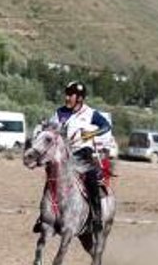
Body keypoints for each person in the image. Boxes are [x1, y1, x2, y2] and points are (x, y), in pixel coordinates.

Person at [47, 80, 111, 233]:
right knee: (51, 178)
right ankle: (45, 214)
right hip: (64, 155)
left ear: (80, 98)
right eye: (66, 94)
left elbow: (106, 126)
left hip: (83, 153)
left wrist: (91, 133)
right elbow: (50, 131)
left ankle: (96, 217)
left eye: (70, 95)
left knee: (91, 178)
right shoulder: (59, 113)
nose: (67, 98)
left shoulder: (90, 114)